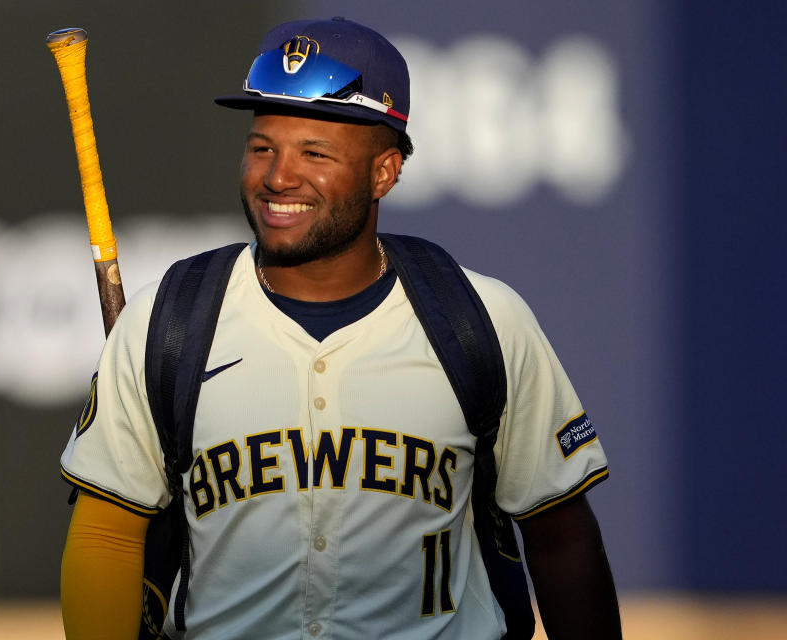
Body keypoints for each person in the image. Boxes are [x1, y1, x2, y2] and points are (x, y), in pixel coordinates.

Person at [59, 16, 622, 640]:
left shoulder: (481, 319)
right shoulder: (167, 320)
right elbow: (107, 532)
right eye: (262, 147)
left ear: (383, 172)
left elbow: (560, 537)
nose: (278, 177)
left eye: (314, 153)